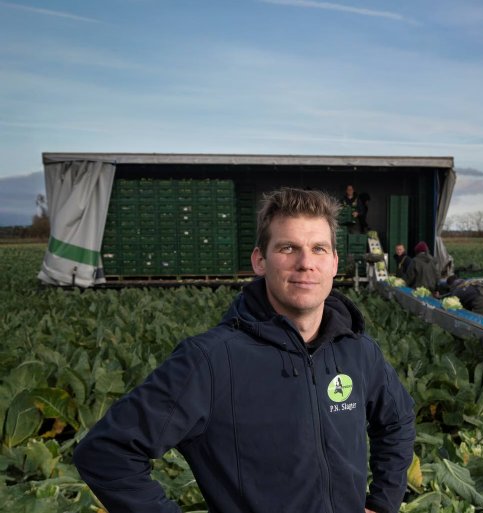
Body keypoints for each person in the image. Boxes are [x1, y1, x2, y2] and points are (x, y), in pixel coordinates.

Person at [73, 188, 416, 513]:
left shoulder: (359, 350)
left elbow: (397, 420)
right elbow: (107, 452)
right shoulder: (210, 361)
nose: (305, 263)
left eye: (319, 249)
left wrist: (383, 501)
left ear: (334, 263)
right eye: (288, 248)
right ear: (259, 261)